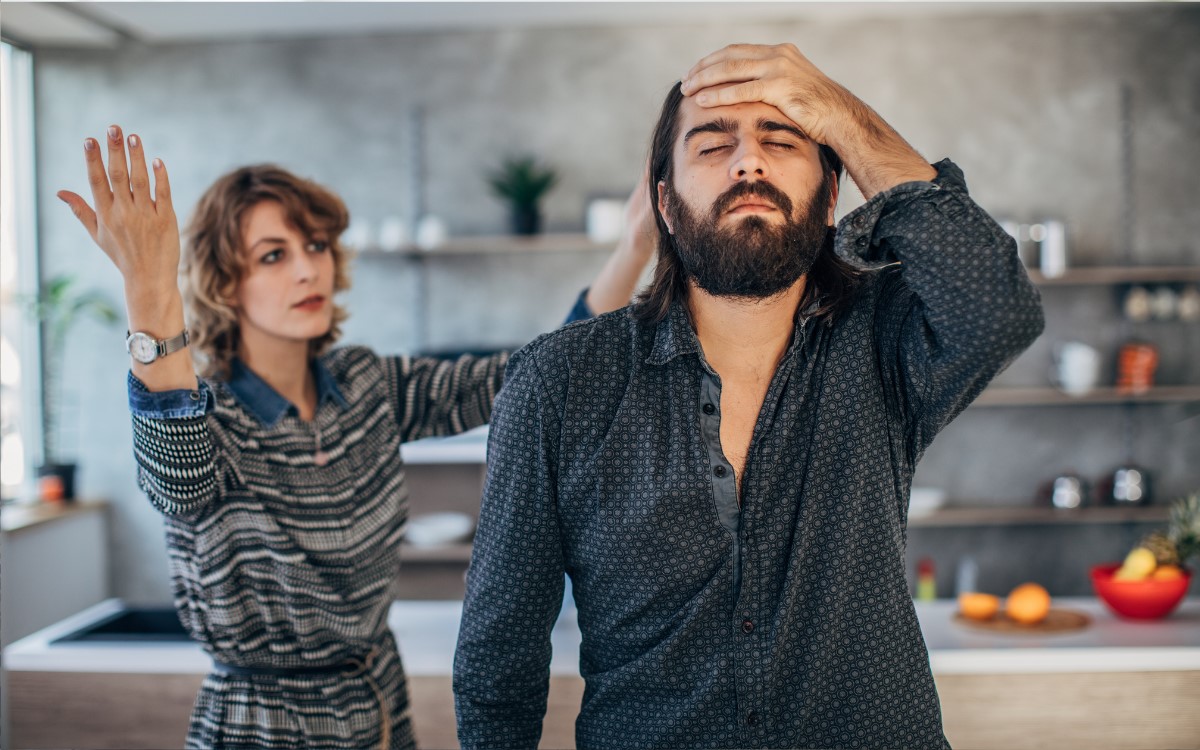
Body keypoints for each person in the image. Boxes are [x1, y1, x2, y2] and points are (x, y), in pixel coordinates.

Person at [453, 43, 1044, 749]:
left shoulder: (887, 339)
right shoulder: (559, 382)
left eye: (782, 138)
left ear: (832, 195)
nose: (749, 163)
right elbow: (499, 659)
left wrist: (845, 117)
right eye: (712, 145)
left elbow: (1000, 308)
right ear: (665, 206)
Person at [56, 126, 653, 750]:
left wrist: (634, 249)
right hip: (262, 728)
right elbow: (175, 477)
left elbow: (531, 377)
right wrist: (150, 287)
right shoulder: (212, 415)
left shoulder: (367, 384)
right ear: (225, 284)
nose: (308, 268)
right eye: (272, 255)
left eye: (313, 245)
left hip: (378, 711)